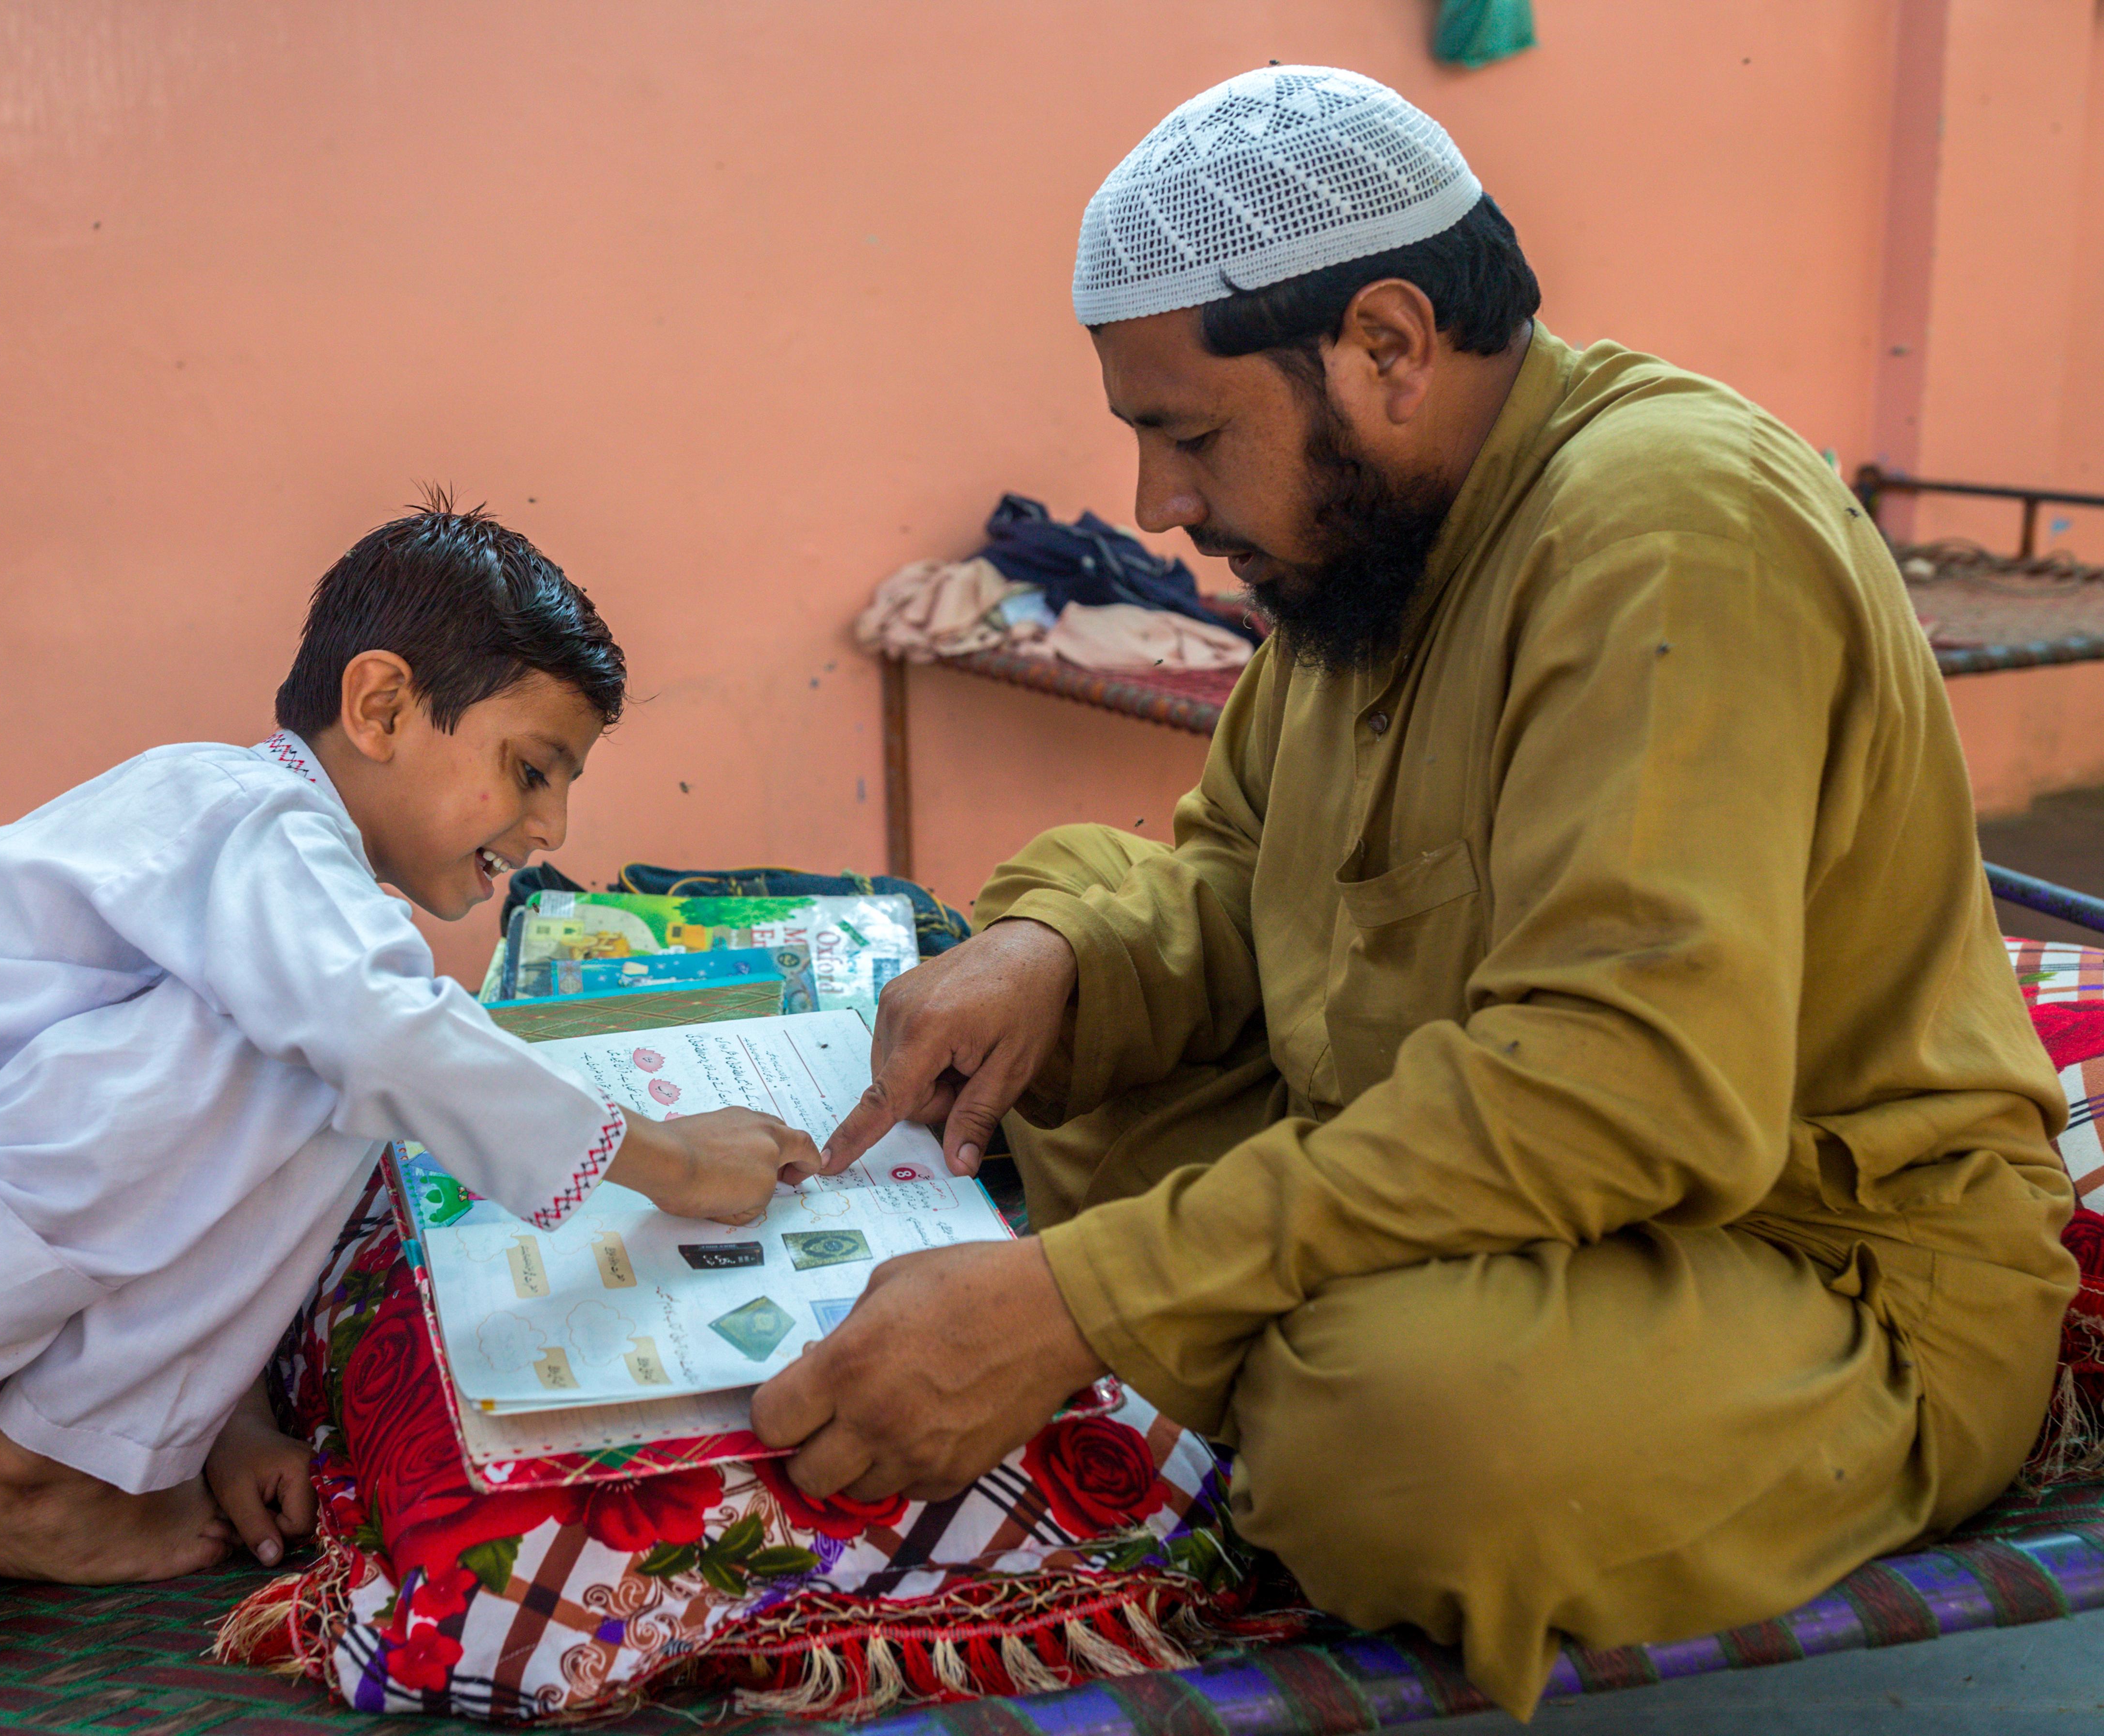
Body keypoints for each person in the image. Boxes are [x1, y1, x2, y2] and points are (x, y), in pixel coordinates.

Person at [756, 67, 2077, 1718]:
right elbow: (1240, 871)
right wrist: (1054, 950)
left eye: (1187, 434)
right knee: (1035, 1077)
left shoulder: (1666, 528)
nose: (1160, 507)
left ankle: (1247, 1335)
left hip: (1801, 1264)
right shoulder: (1369, 555)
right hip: (1461, 1147)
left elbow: (1628, 1091)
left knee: (1389, 1439)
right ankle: (1216, 1287)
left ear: (1387, 345)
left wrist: (1084, 1297)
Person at [0, 499, 821, 1671]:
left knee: (340, 1046)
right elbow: (374, 1041)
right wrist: (667, 1158)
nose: (553, 824)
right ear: (383, 705)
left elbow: (197, 1197)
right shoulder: (252, 816)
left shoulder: (254, 869)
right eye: (530, 769)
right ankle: (39, 1478)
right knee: (344, 1058)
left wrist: (232, 1417)